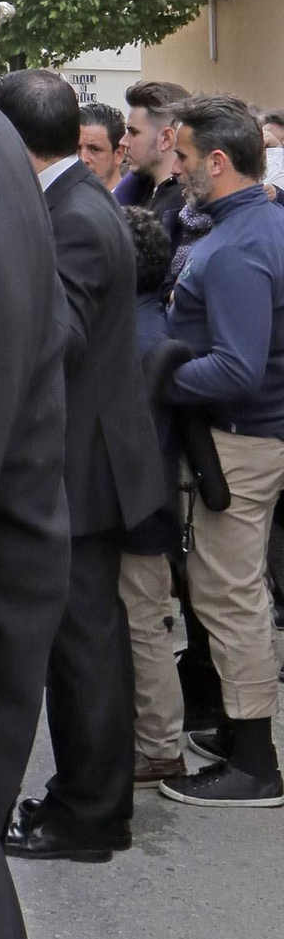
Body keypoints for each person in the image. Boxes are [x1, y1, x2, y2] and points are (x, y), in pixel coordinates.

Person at [0, 70, 167, 864]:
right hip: (88, 458)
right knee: (84, 643)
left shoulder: (72, 218)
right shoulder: (74, 201)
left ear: (11, 139)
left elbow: (57, 342)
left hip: (82, 465)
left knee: (83, 649)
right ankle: (89, 802)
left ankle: (90, 814)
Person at [156, 96, 284, 810]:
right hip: (247, 435)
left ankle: (256, 763)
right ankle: (240, 735)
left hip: (240, 439)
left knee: (231, 597)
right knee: (230, 592)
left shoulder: (239, 244)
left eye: (182, 156)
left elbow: (236, 367)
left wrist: (153, 377)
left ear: (217, 160)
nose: (174, 168)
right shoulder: (257, 225)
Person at [119, 207, 188, 788]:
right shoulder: (147, 324)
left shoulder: (138, 338)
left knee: (143, 622)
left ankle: (161, 745)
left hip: (141, 506)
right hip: (149, 501)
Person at [115, 78, 191, 242]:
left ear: (166, 138)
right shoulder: (138, 189)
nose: (123, 141)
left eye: (133, 132)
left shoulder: (182, 207)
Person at [78, 101, 126, 189]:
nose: (83, 159)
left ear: (119, 154)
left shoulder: (137, 197)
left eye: (94, 149)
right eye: (77, 149)